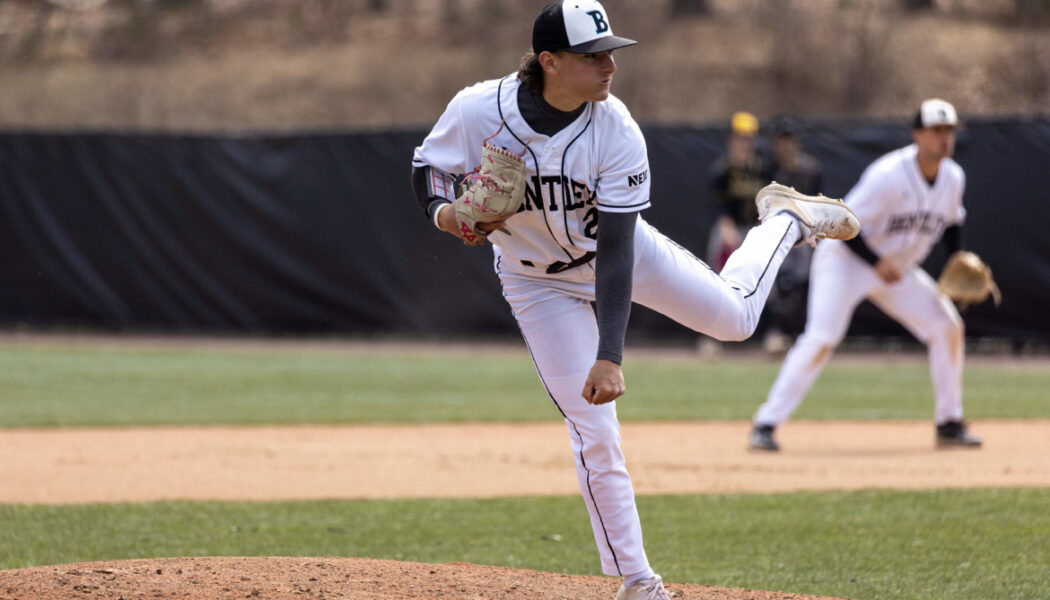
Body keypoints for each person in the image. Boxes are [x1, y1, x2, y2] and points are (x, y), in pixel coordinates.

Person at [410, 2, 858, 597]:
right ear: (549, 61)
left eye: (611, 52)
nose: (609, 65)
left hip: (615, 256)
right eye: (593, 56)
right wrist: (445, 214)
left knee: (738, 320)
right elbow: (427, 167)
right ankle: (638, 583)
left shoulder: (615, 128)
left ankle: (783, 219)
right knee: (593, 428)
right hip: (534, 279)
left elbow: (618, 252)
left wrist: (610, 354)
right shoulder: (478, 109)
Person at [749, 98, 982, 453]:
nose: (945, 138)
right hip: (846, 261)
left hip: (898, 270)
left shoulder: (953, 177)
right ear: (917, 135)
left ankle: (949, 422)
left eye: (949, 131)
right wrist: (874, 262)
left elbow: (952, 224)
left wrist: (956, 257)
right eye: (937, 130)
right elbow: (843, 222)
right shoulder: (888, 175)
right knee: (822, 337)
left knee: (947, 326)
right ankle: (765, 423)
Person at [699, 111, 775, 356]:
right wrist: (725, 225)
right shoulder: (722, 170)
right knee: (713, 281)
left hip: (755, 228)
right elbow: (717, 206)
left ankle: (773, 336)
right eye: (740, 137)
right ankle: (709, 338)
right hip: (729, 227)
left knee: (767, 279)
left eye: (749, 138)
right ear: (731, 140)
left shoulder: (763, 168)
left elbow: (771, 200)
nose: (745, 143)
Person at [762, 116, 825, 354]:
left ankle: (801, 334)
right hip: (774, 233)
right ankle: (774, 333)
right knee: (773, 284)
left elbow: (818, 202)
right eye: (782, 140)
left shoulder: (810, 169)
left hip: (803, 233)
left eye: (790, 139)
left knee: (805, 282)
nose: (786, 145)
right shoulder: (767, 168)